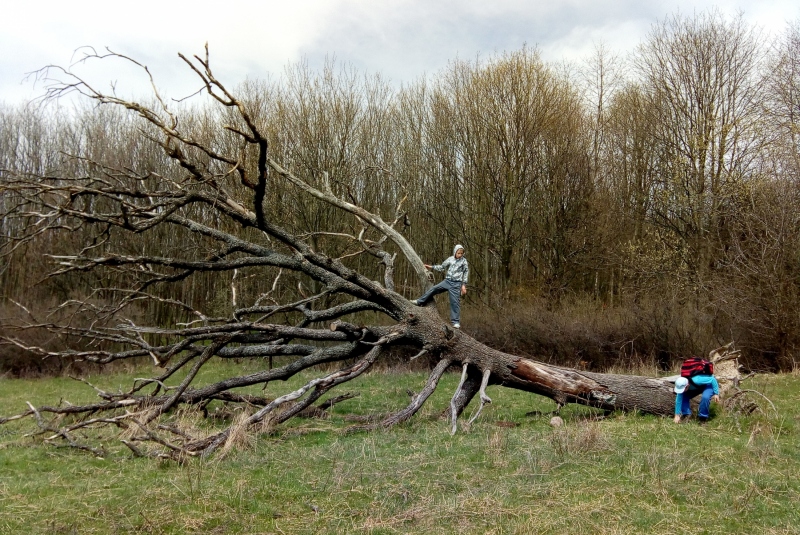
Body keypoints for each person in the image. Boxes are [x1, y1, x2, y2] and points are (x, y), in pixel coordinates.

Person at [411, 244, 469, 328]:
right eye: (458, 253)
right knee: (434, 289)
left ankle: (455, 322)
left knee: (454, 303)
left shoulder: (464, 261)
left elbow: (465, 273)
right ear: (455, 252)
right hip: (447, 281)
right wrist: (431, 267)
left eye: (461, 253)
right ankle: (419, 301)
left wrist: (463, 285)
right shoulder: (450, 259)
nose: (460, 255)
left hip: (456, 284)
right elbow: (442, 267)